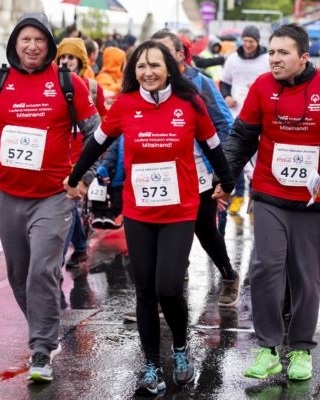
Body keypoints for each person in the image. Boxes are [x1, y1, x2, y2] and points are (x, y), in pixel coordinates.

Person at [64, 40, 235, 395]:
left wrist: (227, 181)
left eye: (155, 65)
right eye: (141, 66)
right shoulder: (125, 104)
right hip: (139, 210)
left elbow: (213, 144)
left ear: (169, 68)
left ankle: (181, 347)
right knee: (144, 290)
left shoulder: (189, 103)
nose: (148, 72)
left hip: (180, 208)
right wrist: (77, 176)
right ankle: (152, 366)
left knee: (168, 287)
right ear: (132, 71)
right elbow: (96, 142)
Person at [0, 12, 100, 383]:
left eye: (40, 39)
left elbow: (96, 135)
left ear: (50, 44)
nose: (33, 46)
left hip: (54, 195)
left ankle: (41, 348)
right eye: (26, 40)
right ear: (15, 44)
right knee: (20, 273)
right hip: (8, 195)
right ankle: (46, 319)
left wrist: (83, 177)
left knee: (42, 268)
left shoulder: (68, 84)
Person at [222, 23, 320, 381]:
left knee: (306, 277)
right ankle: (268, 347)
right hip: (270, 193)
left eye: (283, 52)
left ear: (304, 56)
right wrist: (224, 179)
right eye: (271, 52)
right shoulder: (262, 86)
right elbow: (241, 137)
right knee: (265, 269)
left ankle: (300, 348)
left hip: (315, 199)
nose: (274, 59)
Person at [150, 29, 240, 307]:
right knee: (161, 231)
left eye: (166, 52)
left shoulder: (199, 83)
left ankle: (228, 275)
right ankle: (165, 294)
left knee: (204, 230)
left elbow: (225, 125)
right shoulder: (146, 83)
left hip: (198, 171)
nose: (158, 59)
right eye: (154, 53)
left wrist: (221, 172)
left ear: (180, 55)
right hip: (159, 173)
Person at [54, 37, 107, 268]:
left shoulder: (93, 88)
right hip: (58, 158)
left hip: (82, 157)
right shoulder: (52, 85)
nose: (66, 62)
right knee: (70, 205)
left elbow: (104, 123)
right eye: (62, 57)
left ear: (81, 61)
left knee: (70, 204)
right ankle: (82, 247)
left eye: (71, 58)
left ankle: (58, 261)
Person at [220, 25, 270, 215]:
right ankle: (239, 195)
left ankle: (255, 196)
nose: (248, 45)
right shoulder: (233, 59)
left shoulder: (266, 60)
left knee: (257, 157)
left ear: (258, 42)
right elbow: (224, 83)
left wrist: (259, 86)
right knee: (236, 155)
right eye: (245, 40)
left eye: (252, 41)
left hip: (259, 115)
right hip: (235, 113)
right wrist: (226, 97)